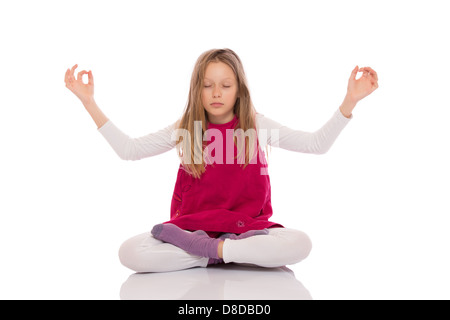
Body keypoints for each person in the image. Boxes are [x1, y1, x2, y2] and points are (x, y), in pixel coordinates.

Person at [64, 48, 378, 273]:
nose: (217, 93)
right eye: (207, 85)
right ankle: (221, 255)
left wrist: (350, 100)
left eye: (226, 85)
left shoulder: (258, 126)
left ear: (239, 89)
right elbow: (129, 150)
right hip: (192, 230)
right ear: (196, 90)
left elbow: (316, 144)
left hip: (246, 229)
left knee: (300, 244)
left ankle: (216, 253)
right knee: (130, 253)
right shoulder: (185, 129)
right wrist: (89, 102)